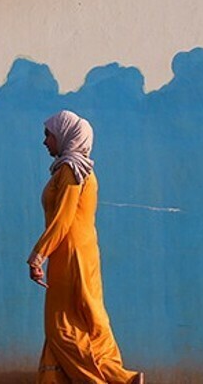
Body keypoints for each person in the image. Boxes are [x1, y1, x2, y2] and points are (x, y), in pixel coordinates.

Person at [27, 111, 143, 384]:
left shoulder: (71, 170)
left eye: (48, 134)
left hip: (71, 255)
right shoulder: (78, 169)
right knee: (85, 322)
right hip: (78, 252)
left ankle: (110, 380)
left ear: (65, 134)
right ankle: (120, 378)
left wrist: (38, 255)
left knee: (62, 327)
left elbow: (63, 217)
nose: (45, 142)